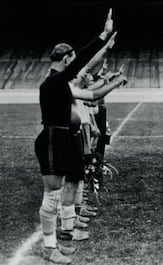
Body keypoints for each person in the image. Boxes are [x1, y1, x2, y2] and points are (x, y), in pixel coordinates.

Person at [34, 9, 117, 264]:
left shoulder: (58, 82)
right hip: (51, 138)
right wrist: (102, 37)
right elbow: (83, 62)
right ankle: (49, 249)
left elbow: (88, 85)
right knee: (51, 195)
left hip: (59, 138)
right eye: (71, 59)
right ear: (65, 58)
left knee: (57, 193)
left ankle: (55, 243)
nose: (73, 62)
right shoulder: (54, 81)